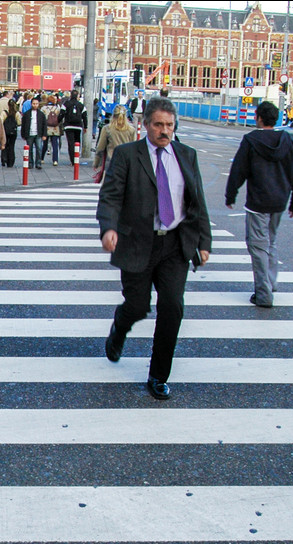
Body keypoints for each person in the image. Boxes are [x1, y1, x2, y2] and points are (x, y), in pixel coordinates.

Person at [97, 97, 213, 401]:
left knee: (172, 308)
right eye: (159, 124)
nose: (165, 131)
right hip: (137, 242)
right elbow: (110, 196)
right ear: (146, 124)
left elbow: (197, 201)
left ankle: (159, 375)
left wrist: (204, 242)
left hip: (175, 244)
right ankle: (119, 329)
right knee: (137, 306)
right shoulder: (127, 155)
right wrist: (109, 228)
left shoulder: (186, 155)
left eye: (170, 125)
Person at [223, 101, 293, 308]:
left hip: (258, 201)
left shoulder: (251, 140)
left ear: (258, 117)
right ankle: (271, 281)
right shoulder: (287, 140)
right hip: (279, 200)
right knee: (271, 242)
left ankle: (264, 293)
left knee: (258, 246)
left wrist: (231, 194)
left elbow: (239, 169)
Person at [93, 106, 137, 181]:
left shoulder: (107, 129)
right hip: (126, 164)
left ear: (113, 115)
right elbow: (134, 149)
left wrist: (96, 163)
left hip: (111, 162)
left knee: (109, 188)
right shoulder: (131, 130)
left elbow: (100, 148)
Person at [21, 97, 47, 169]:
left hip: (38, 133)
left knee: (39, 148)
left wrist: (44, 134)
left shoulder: (41, 114)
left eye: (36, 104)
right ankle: (30, 163)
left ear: (38, 104)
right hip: (29, 134)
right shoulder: (27, 114)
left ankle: (38, 163)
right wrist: (23, 134)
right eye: (33, 104)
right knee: (29, 149)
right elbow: (23, 124)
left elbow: (44, 125)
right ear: (31, 104)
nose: (35, 105)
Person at [62, 90, 85, 161]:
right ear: (77, 96)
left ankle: (72, 160)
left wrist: (59, 122)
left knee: (71, 143)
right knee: (77, 142)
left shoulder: (66, 104)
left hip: (68, 126)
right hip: (78, 126)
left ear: (71, 95)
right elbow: (85, 116)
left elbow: (61, 113)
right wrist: (86, 126)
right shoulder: (81, 105)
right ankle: (76, 158)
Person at [44, 95, 63, 165]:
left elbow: (42, 119)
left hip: (46, 128)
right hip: (55, 128)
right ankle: (55, 160)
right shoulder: (57, 109)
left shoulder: (44, 108)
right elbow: (61, 119)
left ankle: (42, 158)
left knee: (45, 144)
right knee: (55, 144)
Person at [2, 100, 20, 168]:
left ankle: (4, 159)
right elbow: (19, 122)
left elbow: (1, 121)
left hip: (5, 131)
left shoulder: (4, 112)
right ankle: (11, 161)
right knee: (12, 146)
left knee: (5, 144)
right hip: (13, 132)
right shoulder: (16, 113)